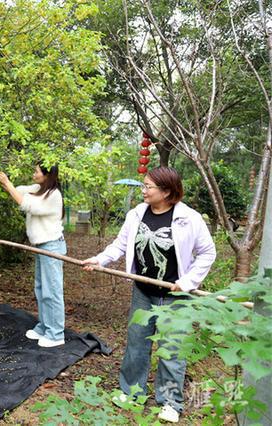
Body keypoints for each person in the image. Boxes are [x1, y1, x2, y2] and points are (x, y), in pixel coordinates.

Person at [82, 167, 216, 423]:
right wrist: (100, 260)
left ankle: (170, 403)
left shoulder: (189, 218)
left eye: (148, 187)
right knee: (137, 345)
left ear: (166, 191)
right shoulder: (136, 214)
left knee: (172, 350)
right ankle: (132, 392)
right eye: (143, 186)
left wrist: (187, 282)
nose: (143, 190)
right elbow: (120, 245)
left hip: (176, 297)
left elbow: (207, 253)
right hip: (143, 292)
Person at [0, 164, 66, 348]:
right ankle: (45, 327)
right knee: (41, 288)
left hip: (52, 246)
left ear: (47, 175)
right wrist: (8, 184)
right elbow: (20, 192)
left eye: (36, 171)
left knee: (52, 291)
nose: (33, 174)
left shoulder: (53, 195)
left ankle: (56, 333)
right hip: (41, 246)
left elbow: (27, 205)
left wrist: (8, 185)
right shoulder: (40, 189)